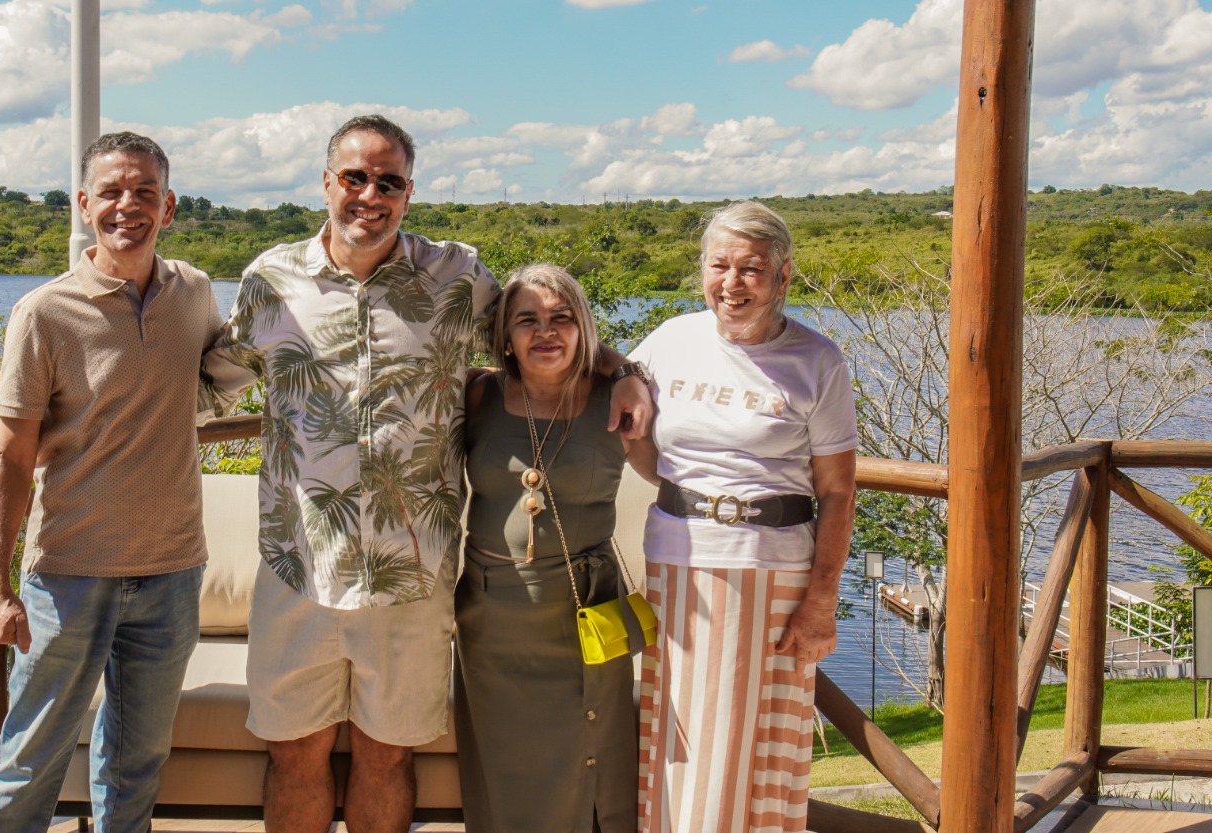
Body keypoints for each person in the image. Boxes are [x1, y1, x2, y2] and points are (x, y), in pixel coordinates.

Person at [199, 114, 654, 833]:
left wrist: (627, 372)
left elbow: (546, 330)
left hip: (412, 574)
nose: (369, 194)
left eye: (390, 181)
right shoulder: (269, 280)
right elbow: (205, 382)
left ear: (409, 194)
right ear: (326, 183)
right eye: (355, 176)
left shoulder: (456, 277)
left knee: (386, 759)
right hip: (298, 569)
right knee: (294, 756)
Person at [0, 131, 222, 833]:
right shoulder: (43, 313)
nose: (128, 205)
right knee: (30, 758)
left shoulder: (195, 292)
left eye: (145, 191)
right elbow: (10, 455)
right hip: (69, 574)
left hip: (173, 569)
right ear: (84, 205)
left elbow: (222, 369)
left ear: (169, 206)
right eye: (111, 191)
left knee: (136, 764)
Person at [630, 200, 857, 833]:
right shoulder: (670, 340)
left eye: (751, 269)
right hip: (676, 561)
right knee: (678, 736)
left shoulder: (818, 361)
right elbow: (633, 430)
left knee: (756, 744)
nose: (732, 284)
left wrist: (821, 603)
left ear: (784, 277)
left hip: (774, 572)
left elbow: (838, 493)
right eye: (719, 265)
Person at [453, 263, 650, 833]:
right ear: (505, 337)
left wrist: (627, 368)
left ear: (584, 327)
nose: (546, 332)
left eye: (563, 318)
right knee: (503, 773)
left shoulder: (616, 397)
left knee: (593, 767)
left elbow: (670, 472)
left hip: (583, 610)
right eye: (528, 320)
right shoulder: (476, 393)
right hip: (491, 621)